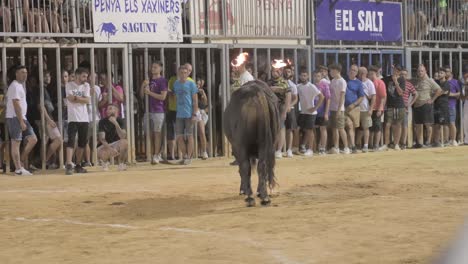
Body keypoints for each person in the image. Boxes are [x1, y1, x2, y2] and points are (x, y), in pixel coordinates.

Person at [5, 65, 37, 175]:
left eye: (26, 72)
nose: (25, 74)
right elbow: (16, 104)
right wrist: (21, 121)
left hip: (21, 117)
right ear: (16, 74)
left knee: (33, 139)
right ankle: (18, 169)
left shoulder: (19, 86)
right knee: (16, 142)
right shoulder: (15, 86)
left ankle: (21, 161)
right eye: (22, 72)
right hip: (15, 117)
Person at [140, 61, 168, 164]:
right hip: (148, 110)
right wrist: (143, 86)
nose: (153, 69)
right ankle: (151, 154)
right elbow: (142, 96)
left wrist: (150, 93)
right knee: (148, 133)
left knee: (157, 133)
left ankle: (156, 155)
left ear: (160, 69)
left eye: (155, 67)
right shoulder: (149, 81)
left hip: (158, 111)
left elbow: (163, 97)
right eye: (152, 67)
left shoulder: (163, 81)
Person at [65, 67, 90, 175]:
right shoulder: (69, 85)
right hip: (73, 118)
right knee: (71, 141)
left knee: (82, 143)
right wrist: (81, 99)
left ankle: (78, 164)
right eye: (84, 76)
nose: (85, 78)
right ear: (77, 75)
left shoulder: (86, 86)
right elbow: (69, 98)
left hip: (84, 118)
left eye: (86, 76)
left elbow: (87, 100)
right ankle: (69, 164)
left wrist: (76, 98)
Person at [36, 70, 63, 170]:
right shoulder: (41, 90)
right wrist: (48, 120)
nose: (48, 78)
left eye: (48, 76)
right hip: (45, 119)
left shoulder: (44, 89)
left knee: (45, 141)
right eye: (45, 76)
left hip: (46, 119)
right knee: (58, 139)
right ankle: (44, 162)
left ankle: (45, 163)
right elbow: (40, 106)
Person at [173, 65, 198, 165]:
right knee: (179, 136)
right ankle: (185, 155)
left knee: (189, 135)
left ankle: (189, 157)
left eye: (185, 73)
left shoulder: (191, 84)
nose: (183, 74)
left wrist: (194, 114)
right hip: (179, 113)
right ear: (178, 73)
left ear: (188, 73)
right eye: (181, 73)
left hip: (189, 113)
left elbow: (195, 100)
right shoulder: (176, 84)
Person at [413, 65, 442, 148]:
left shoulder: (430, 80)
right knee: (418, 125)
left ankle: (428, 142)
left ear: (425, 71)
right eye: (418, 71)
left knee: (428, 124)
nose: (420, 72)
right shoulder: (417, 81)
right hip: (417, 105)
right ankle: (420, 143)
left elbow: (439, 90)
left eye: (421, 71)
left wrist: (432, 100)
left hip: (426, 105)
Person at [297, 70, 324, 157]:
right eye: (302, 75)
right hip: (303, 111)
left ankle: (310, 149)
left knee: (309, 130)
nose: (303, 77)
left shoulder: (311, 86)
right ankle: (302, 146)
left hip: (311, 113)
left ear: (308, 76)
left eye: (305, 75)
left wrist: (315, 108)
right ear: (299, 76)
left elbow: (321, 97)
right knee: (303, 130)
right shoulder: (298, 86)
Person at [268, 65, 291, 159]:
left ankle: (279, 150)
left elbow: (288, 97)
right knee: (272, 128)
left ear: (280, 72)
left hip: (281, 106)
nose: (275, 73)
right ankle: (272, 149)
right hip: (271, 106)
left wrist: (285, 111)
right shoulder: (269, 82)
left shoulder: (284, 82)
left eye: (277, 71)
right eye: (273, 71)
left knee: (281, 127)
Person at [381, 65, 406, 151]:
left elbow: (400, 93)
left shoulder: (402, 79)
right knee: (387, 124)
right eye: (395, 70)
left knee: (397, 125)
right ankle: (386, 144)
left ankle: (396, 144)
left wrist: (396, 82)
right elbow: (380, 82)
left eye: (398, 71)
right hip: (390, 105)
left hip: (399, 105)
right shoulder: (387, 79)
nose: (396, 72)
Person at [97, 104, 128, 171]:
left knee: (125, 142)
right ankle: (105, 162)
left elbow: (122, 136)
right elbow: (102, 139)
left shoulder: (120, 120)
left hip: (116, 145)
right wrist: (110, 149)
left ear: (116, 110)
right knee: (101, 152)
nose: (107, 111)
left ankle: (121, 164)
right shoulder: (102, 121)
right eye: (107, 109)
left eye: (110, 109)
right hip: (105, 145)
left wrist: (115, 123)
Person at [328, 63, 350, 155]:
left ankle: (346, 147)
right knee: (334, 128)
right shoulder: (332, 81)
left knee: (341, 128)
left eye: (332, 70)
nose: (330, 72)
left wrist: (338, 110)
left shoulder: (342, 81)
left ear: (337, 71)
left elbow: (342, 97)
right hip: (332, 108)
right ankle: (336, 147)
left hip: (339, 109)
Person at [344, 65, 365, 153]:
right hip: (344, 107)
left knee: (352, 127)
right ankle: (352, 146)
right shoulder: (344, 80)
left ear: (357, 73)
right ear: (348, 70)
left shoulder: (359, 83)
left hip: (354, 108)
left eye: (354, 71)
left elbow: (361, 96)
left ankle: (350, 145)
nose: (352, 71)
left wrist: (354, 104)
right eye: (351, 70)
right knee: (349, 125)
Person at [357, 67, 376, 153]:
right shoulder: (356, 82)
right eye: (359, 73)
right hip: (356, 109)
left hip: (365, 108)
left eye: (362, 73)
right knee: (357, 128)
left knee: (366, 128)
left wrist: (371, 109)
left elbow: (373, 97)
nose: (360, 75)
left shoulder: (369, 83)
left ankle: (365, 145)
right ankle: (357, 144)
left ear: (365, 73)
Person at [368, 66, 387, 151]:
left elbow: (383, 97)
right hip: (369, 108)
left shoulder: (380, 82)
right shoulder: (368, 83)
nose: (371, 75)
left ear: (376, 74)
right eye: (369, 74)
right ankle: (370, 144)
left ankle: (376, 144)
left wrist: (380, 109)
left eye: (372, 74)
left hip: (377, 108)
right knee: (370, 127)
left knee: (377, 126)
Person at [314, 68, 331, 155]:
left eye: (318, 76)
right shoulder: (313, 85)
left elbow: (328, 99)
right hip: (314, 112)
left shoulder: (325, 85)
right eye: (315, 76)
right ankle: (317, 146)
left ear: (321, 76)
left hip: (323, 111)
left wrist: (326, 113)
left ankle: (323, 148)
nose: (317, 78)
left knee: (323, 128)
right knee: (316, 129)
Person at [400, 68, 418, 149]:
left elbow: (416, 94)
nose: (403, 76)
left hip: (404, 108)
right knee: (396, 126)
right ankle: (396, 142)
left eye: (404, 74)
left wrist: (410, 104)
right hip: (395, 107)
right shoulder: (396, 83)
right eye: (401, 74)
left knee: (404, 126)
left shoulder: (409, 84)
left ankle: (403, 143)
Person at [433, 68, 450, 147]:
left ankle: (446, 141)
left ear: (445, 75)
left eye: (441, 73)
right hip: (436, 106)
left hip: (443, 106)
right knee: (437, 124)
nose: (440, 74)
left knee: (445, 124)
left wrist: (436, 93)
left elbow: (441, 92)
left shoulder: (446, 83)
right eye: (439, 73)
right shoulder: (436, 82)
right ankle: (437, 141)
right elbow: (433, 91)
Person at [283, 65, 298, 158]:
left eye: (288, 72)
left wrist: (289, 106)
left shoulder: (293, 85)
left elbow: (295, 99)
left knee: (289, 129)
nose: (286, 73)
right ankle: (279, 149)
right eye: (285, 71)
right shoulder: (280, 83)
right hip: (280, 109)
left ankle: (289, 149)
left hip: (290, 110)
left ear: (291, 73)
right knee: (279, 129)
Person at [446, 67, 461, 146]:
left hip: (452, 105)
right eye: (445, 71)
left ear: (451, 72)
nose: (446, 73)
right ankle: (449, 140)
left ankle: (454, 140)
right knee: (447, 124)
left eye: (447, 71)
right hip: (444, 105)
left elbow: (459, 93)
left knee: (452, 123)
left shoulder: (455, 81)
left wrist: (451, 94)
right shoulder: (443, 81)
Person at [196, 77, 209, 160]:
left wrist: (203, 94)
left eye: (198, 84)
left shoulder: (202, 92)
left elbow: (206, 104)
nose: (197, 85)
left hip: (201, 113)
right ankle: (195, 152)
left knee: (201, 132)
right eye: (196, 84)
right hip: (190, 112)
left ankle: (204, 151)